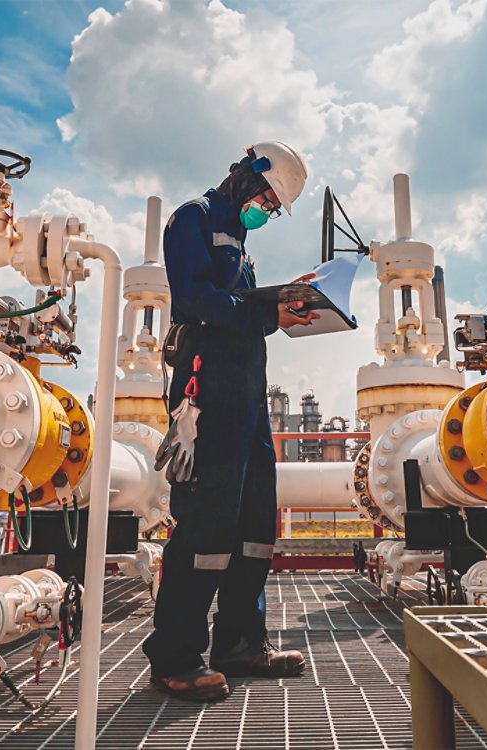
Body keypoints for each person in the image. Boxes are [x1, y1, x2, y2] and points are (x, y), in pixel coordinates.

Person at [143, 141, 317, 701]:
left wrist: (286, 298)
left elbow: (241, 308)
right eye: (265, 199)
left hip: (247, 400)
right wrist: (268, 310)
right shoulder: (192, 218)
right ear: (247, 176)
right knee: (205, 527)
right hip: (207, 393)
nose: (265, 211)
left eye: (272, 206)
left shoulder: (240, 245)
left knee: (253, 525)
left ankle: (240, 642)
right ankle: (175, 655)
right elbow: (195, 300)